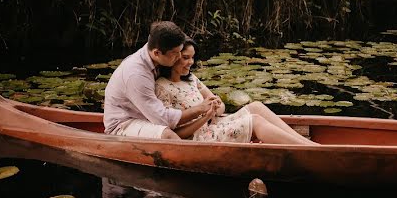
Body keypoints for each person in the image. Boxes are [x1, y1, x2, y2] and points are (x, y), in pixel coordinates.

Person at [156, 38, 316, 145]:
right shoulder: (162, 87)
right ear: (173, 57)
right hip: (200, 139)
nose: (191, 62)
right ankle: (310, 149)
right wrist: (205, 117)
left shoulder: (192, 79)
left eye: (192, 57)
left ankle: (307, 144)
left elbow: (220, 106)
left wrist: (216, 107)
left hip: (213, 125)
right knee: (255, 120)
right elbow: (175, 133)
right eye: (185, 58)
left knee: (256, 107)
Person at [103, 21, 217, 140]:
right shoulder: (136, 74)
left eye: (180, 51)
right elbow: (162, 119)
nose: (179, 57)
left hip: (145, 116)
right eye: (175, 53)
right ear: (157, 53)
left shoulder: (155, 53)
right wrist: (200, 109)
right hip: (123, 124)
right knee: (167, 135)